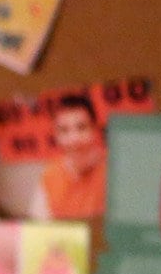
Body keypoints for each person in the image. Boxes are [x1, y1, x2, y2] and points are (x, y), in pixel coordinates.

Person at [37, 94, 109, 222]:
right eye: (64, 130)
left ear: (94, 129)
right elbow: (39, 225)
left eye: (82, 127)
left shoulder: (116, 168)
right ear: (56, 136)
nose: (74, 139)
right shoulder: (49, 175)